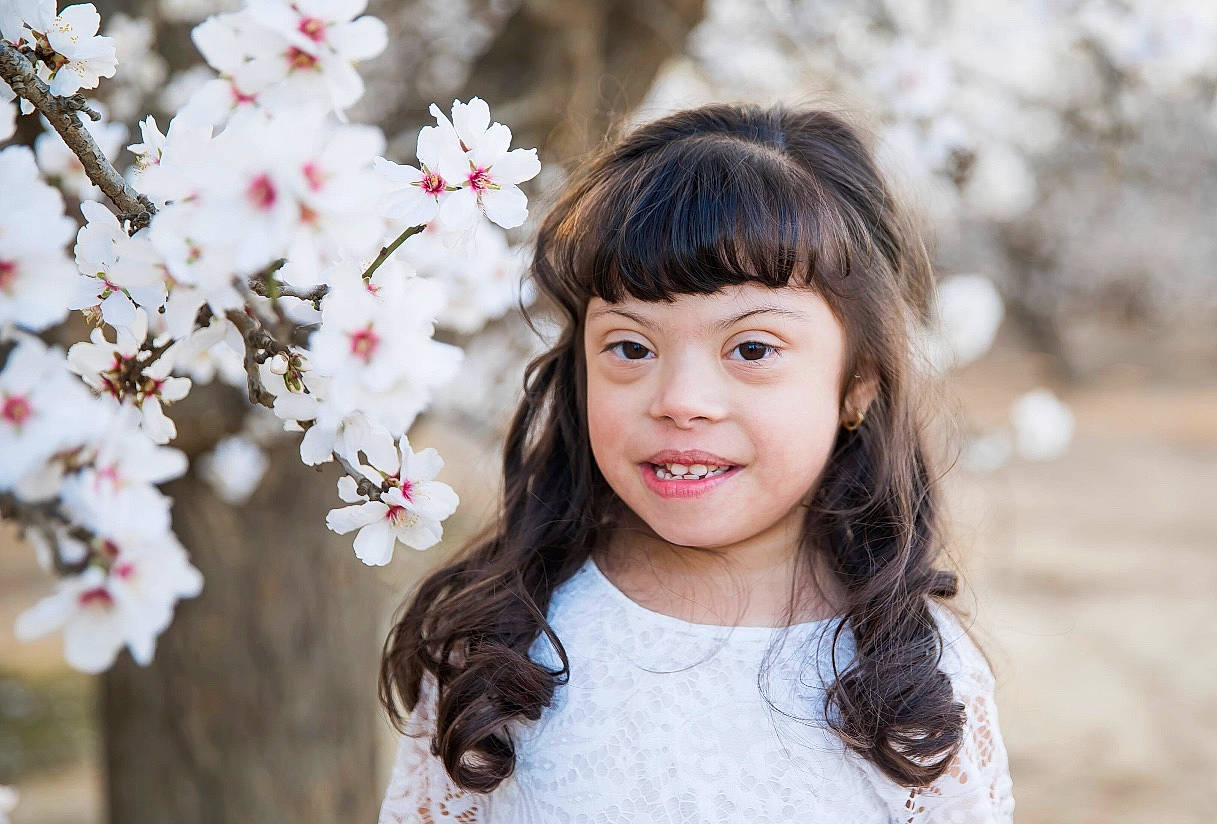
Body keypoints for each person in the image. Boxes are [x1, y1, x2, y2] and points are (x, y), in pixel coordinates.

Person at [376, 102, 1016, 822]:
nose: (681, 401)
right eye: (630, 348)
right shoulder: (501, 646)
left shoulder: (912, 677)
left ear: (856, 384)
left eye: (751, 350)